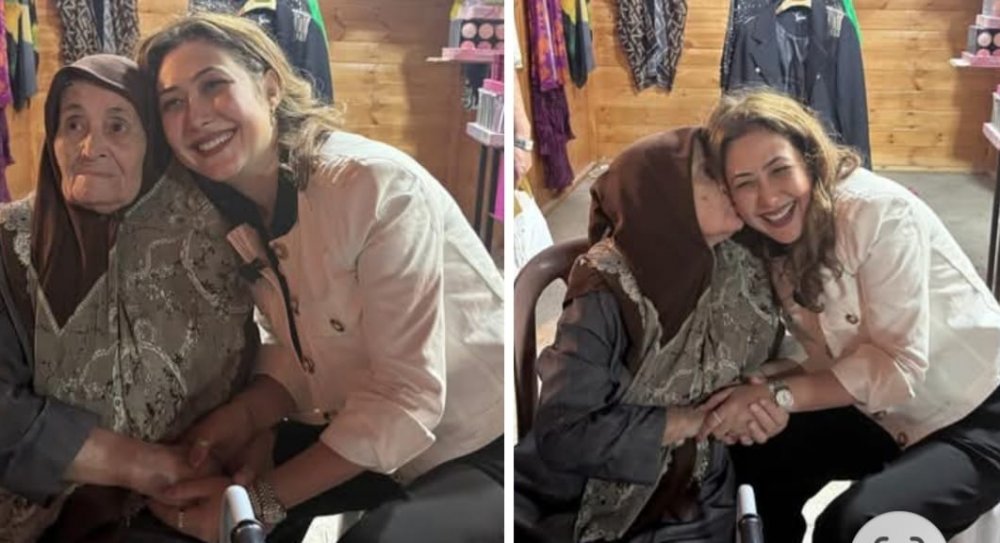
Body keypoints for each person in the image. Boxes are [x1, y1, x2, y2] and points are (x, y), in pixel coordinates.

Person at [135, 12, 504, 543]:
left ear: (270, 87)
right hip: (365, 426)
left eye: (213, 85)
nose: (195, 117)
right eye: (173, 103)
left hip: (476, 442)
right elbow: (308, 347)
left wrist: (263, 500)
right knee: (196, 496)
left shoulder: (372, 188)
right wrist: (246, 419)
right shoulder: (233, 211)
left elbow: (407, 397)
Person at [701, 88, 1000, 542]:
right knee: (756, 455)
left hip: (975, 410)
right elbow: (827, 353)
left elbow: (898, 367)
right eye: (745, 183)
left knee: (854, 524)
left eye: (779, 170)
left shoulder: (877, 213)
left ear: (810, 160)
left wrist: (779, 395)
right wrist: (759, 389)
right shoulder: (774, 243)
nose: (768, 197)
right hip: (886, 414)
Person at [0, 54, 257, 542]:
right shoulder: (10, 246)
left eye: (117, 126)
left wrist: (251, 444)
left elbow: (254, 363)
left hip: (197, 502)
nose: (89, 147)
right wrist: (142, 465)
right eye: (73, 124)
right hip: (49, 521)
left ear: (153, 145)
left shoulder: (206, 240)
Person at [514, 127, 785, 543]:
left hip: (701, 488)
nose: (731, 182)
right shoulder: (609, 288)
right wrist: (693, 421)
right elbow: (564, 434)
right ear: (665, 195)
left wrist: (767, 398)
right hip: (589, 495)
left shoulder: (740, 266)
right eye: (709, 174)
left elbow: (775, 362)